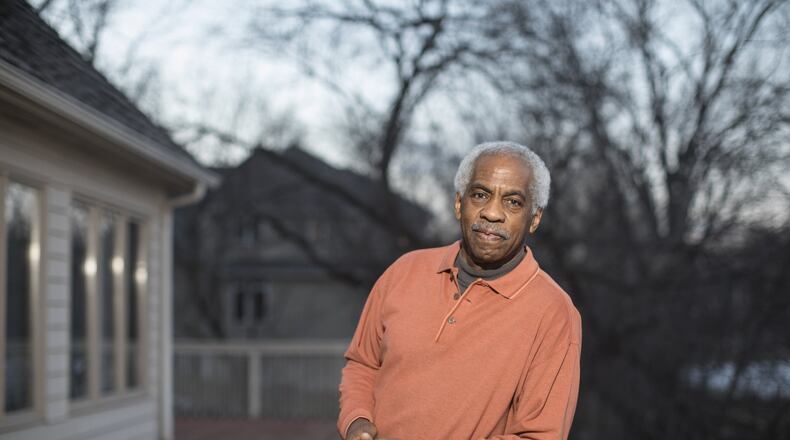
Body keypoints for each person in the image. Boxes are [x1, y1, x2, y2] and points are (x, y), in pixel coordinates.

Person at [338, 141, 582, 440]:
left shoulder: (554, 312)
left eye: (513, 202)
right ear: (459, 203)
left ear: (534, 219)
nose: (492, 213)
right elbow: (362, 364)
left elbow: (540, 435)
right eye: (480, 195)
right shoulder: (404, 271)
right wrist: (356, 421)